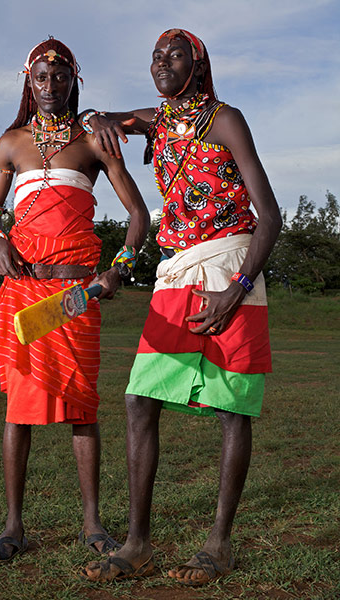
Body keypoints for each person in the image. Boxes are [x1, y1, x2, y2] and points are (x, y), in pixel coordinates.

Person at [80, 28, 282, 585]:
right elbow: (109, 119)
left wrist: (236, 288)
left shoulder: (225, 119)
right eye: (155, 57)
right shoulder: (160, 118)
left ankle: (219, 545)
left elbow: (272, 216)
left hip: (229, 267)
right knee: (140, 398)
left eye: (174, 56)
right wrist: (100, 115)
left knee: (231, 409)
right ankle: (138, 542)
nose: (161, 63)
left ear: (197, 64)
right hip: (176, 272)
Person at [0, 37, 149, 564]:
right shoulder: (10, 142)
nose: (50, 87)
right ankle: (13, 526)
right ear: (28, 83)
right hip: (23, 293)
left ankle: (93, 523)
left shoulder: (94, 141)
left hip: (75, 296)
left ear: (74, 80)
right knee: (18, 412)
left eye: (59, 77)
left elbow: (139, 217)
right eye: (40, 79)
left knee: (81, 409)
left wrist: (119, 268)